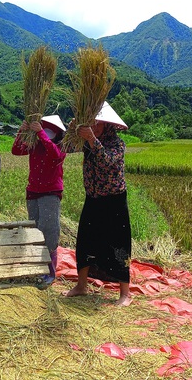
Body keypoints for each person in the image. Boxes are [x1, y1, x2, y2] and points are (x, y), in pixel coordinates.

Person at [62, 103, 133, 306]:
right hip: (92, 199)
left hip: (114, 201)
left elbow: (107, 161)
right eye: (91, 122)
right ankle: (82, 285)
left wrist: (92, 139)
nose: (94, 126)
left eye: (97, 123)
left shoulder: (117, 144)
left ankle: (125, 293)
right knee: (85, 240)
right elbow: (65, 148)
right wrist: (72, 132)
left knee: (119, 245)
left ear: (107, 125)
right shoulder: (86, 142)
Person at [11, 115, 67, 288]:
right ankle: (38, 268)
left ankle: (50, 272)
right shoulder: (34, 144)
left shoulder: (60, 146)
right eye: (44, 127)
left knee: (49, 230)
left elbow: (55, 156)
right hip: (33, 191)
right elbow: (16, 150)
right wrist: (23, 130)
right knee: (35, 229)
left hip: (50, 191)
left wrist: (41, 133)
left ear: (57, 132)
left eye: (50, 129)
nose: (47, 131)